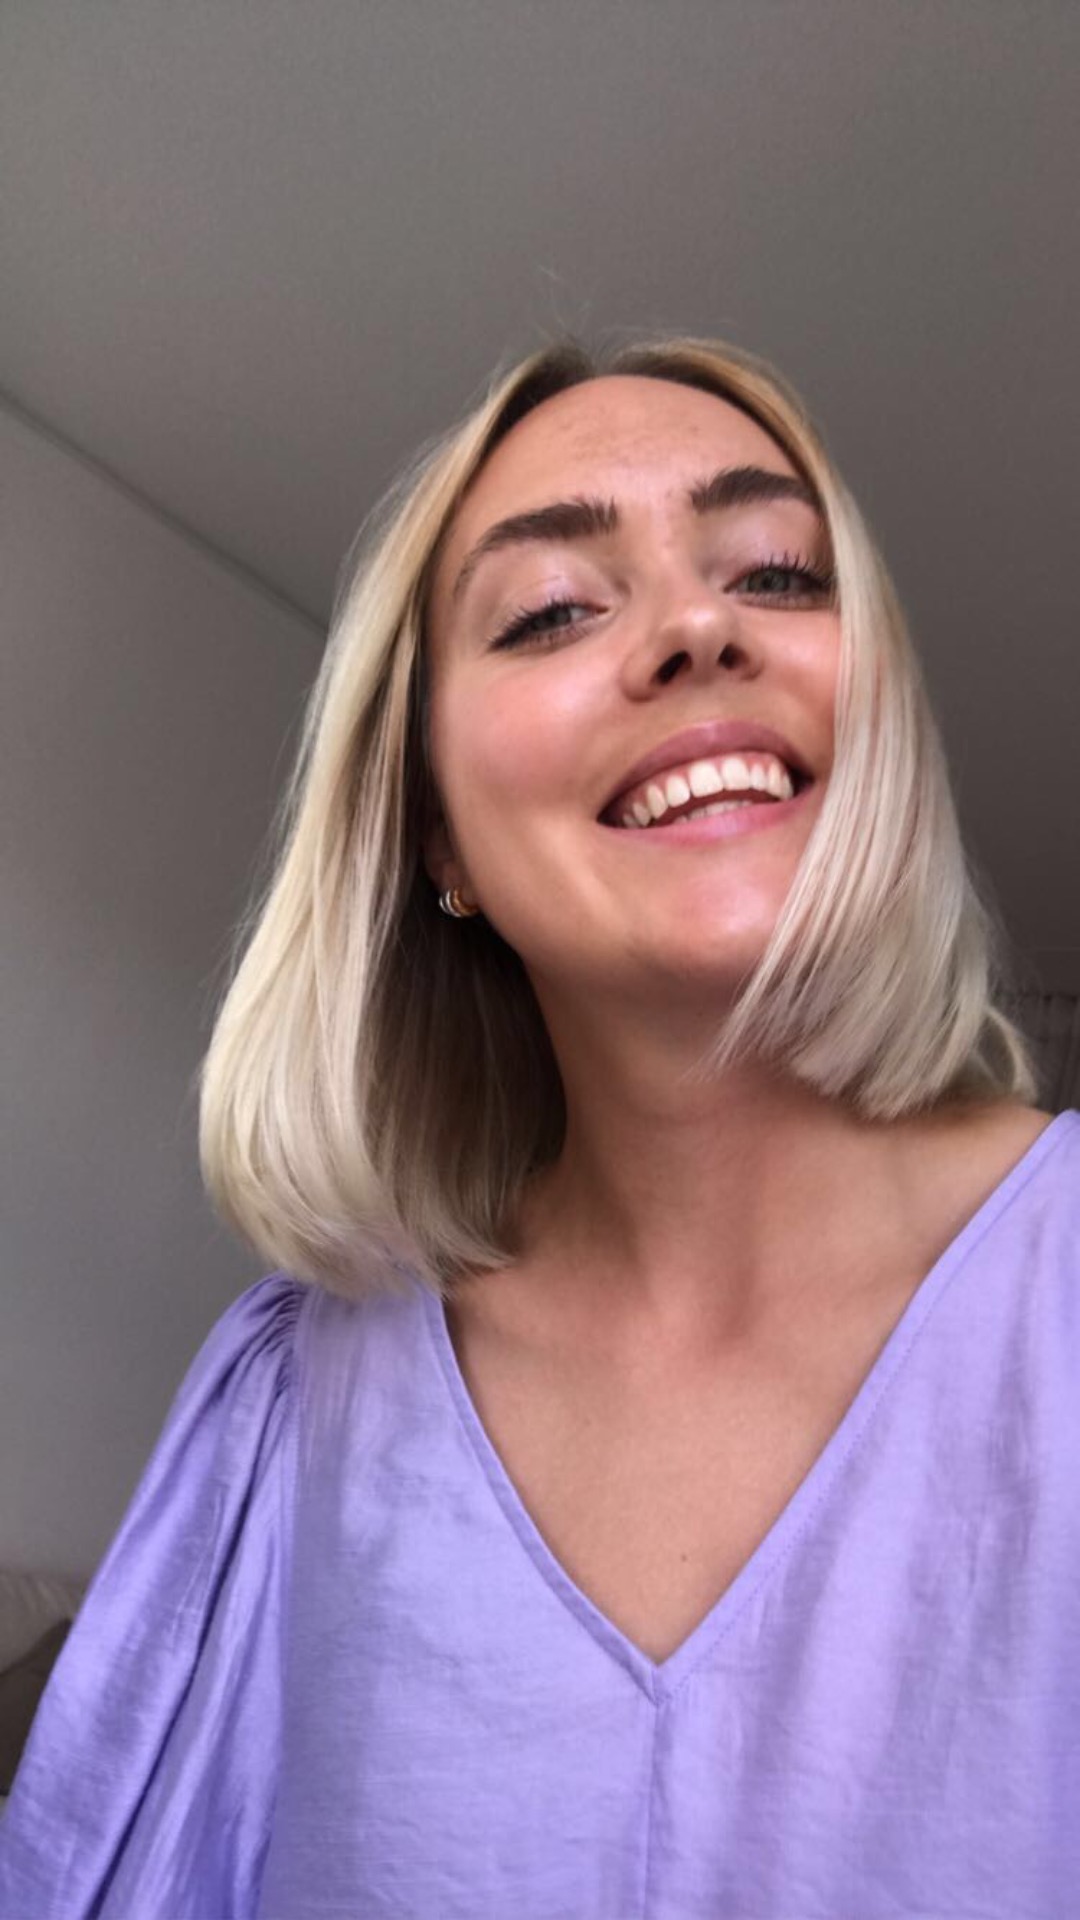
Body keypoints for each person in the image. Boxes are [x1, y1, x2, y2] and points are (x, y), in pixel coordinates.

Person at [1, 334, 1076, 1920]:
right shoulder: (292, 1416)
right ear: (436, 834)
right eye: (554, 609)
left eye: (778, 574)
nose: (700, 627)